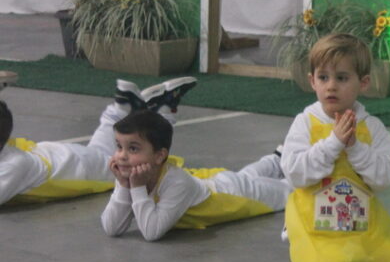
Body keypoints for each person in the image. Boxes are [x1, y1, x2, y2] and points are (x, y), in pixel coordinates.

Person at [280, 33, 390, 262]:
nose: (331, 86)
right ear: (312, 81)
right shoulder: (305, 122)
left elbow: (384, 178)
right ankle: (311, 243)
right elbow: (295, 173)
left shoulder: (372, 127)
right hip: (316, 224)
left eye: (342, 78)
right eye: (323, 77)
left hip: (363, 223)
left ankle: (360, 257)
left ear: (363, 82)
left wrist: (355, 147)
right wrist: (333, 143)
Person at [0, 77, 195, 206]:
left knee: (139, 163)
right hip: (59, 156)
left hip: (78, 171)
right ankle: (125, 103)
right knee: (99, 150)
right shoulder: (10, 155)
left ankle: (163, 111)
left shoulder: (13, 167)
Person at [100, 109, 290, 241]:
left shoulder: (176, 182)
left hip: (234, 194)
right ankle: (277, 159)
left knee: (289, 192)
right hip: (214, 181)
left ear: (159, 156)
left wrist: (137, 188)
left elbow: (151, 232)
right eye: (119, 146)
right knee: (246, 177)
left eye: (133, 148)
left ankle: (293, 160)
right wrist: (124, 186)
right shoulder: (131, 174)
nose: (122, 156)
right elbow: (111, 227)